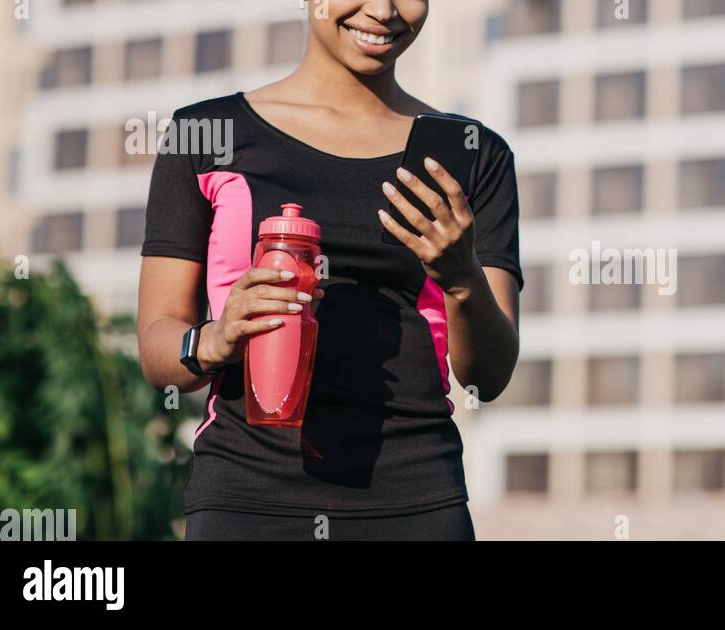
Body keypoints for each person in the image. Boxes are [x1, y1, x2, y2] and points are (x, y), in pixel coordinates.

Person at [135, 0, 520, 540]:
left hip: (417, 503)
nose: (384, 10)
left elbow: (491, 375)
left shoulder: (471, 155)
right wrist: (216, 338)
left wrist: (461, 276)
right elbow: (157, 349)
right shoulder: (203, 135)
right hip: (246, 500)